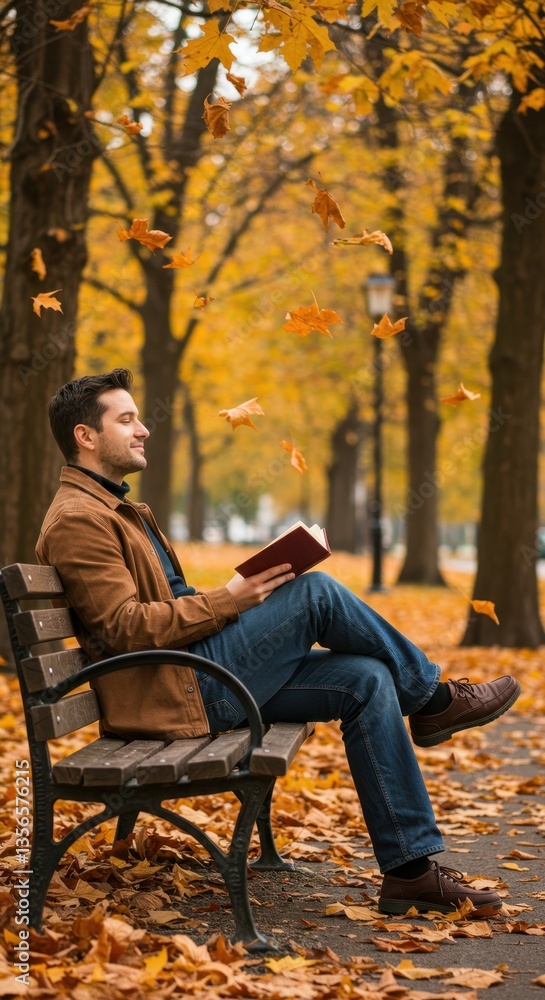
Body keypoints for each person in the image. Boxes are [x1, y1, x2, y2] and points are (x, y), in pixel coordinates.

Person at [36, 369, 521, 917]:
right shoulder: (80, 519)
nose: (144, 429)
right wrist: (232, 599)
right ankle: (433, 701)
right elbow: (122, 627)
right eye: (127, 420)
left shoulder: (119, 508)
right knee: (315, 593)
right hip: (179, 693)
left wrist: (245, 593)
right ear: (86, 436)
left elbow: (165, 604)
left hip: (191, 673)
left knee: (366, 678)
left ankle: (410, 873)